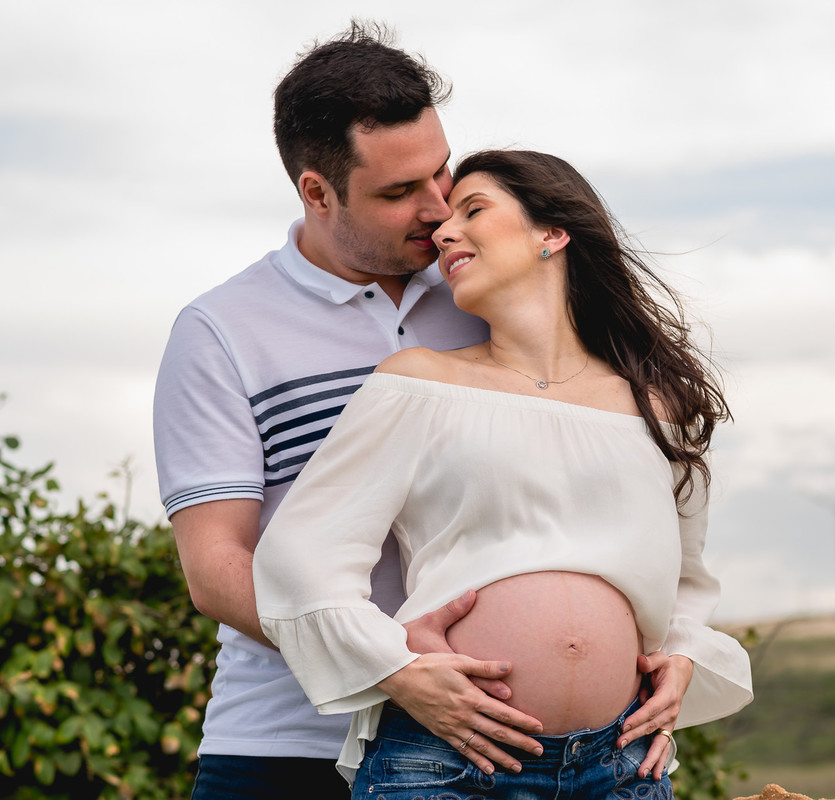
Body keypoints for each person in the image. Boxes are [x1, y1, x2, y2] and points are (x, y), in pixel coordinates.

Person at [253, 149, 754, 799]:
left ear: (552, 233)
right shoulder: (418, 384)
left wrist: (684, 656)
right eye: (443, 222)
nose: (443, 232)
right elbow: (301, 554)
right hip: (450, 762)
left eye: (474, 210)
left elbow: (687, 579)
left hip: (622, 765)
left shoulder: (660, 406)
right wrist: (396, 668)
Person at [152, 23, 545, 799]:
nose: (437, 211)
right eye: (400, 193)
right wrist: (390, 662)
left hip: (490, 744)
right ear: (317, 191)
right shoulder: (220, 331)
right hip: (286, 747)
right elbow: (218, 570)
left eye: (442, 173)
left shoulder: (485, 296)